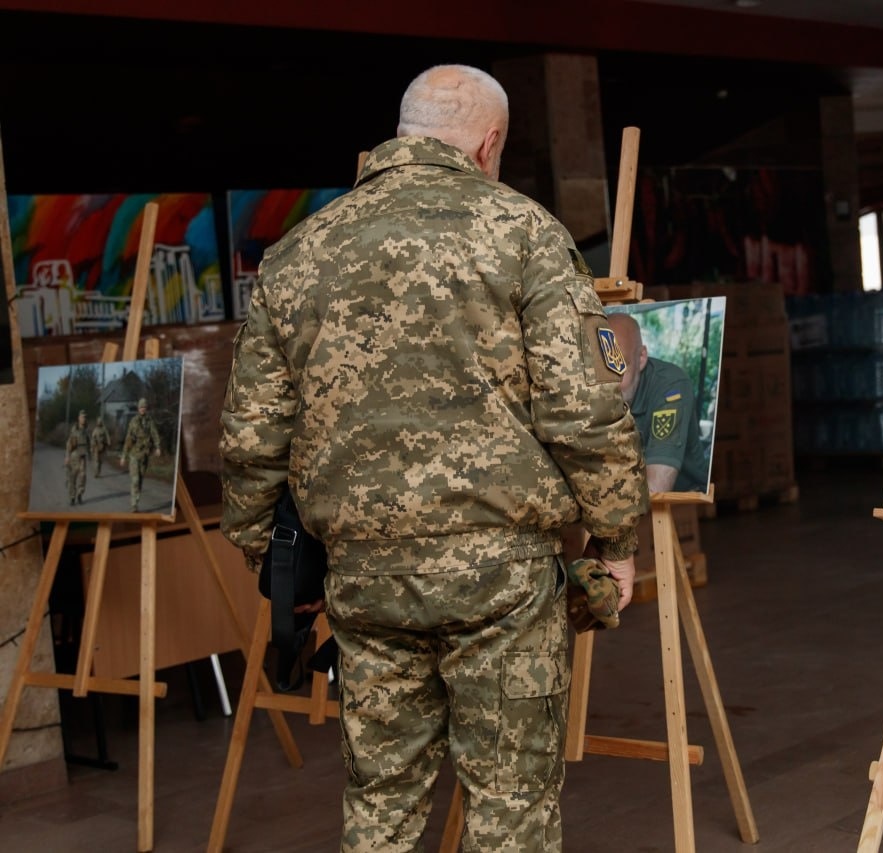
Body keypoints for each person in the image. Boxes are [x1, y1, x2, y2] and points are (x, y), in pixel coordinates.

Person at [220, 64, 648, 853]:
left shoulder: (297, 252)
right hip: (504, 582)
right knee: (510, 806)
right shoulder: (522, 231)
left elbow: (252, 435)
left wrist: (274, 564)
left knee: (379, 801)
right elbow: (583, 411)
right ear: (489, 144)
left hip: (361, 576)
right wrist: (618, 539)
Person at [605, 312, 710, 494]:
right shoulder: (587, 390)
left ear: (641, 358)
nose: (608, 384)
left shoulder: (670, 386)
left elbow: (656, 489)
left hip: (684, 500)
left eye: (619, 367)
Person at [120, 397, 162, 512]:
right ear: (138, 408)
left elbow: (155, 434)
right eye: (141, 407)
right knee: (135, 480)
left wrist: (158, 447)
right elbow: (128, 439)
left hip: (144, 455)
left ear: (146, 408)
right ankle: (134, 505)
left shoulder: (149, 421)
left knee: (141, 480)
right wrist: (124, 456)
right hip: (134, 455)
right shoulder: (133, 422)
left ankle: (136, 500)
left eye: (144, 407)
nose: (142, 409)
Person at [64, 409, 90, 505]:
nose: (84, 419)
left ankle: (79, 494)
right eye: (82, 417)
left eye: (85, 417)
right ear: (79, 418)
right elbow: (69, 444)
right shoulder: (74, 430)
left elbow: (89, 443)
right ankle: (72, 497)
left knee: (83, 477)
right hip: (74, 456)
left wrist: (91, 454)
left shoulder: (86, 430)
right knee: (72, 478)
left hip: (83, 457)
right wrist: (67, 456)